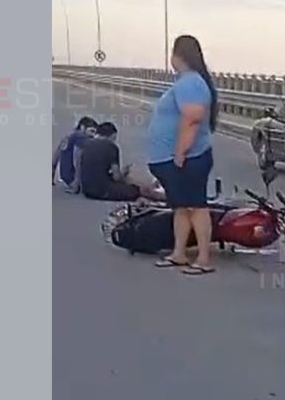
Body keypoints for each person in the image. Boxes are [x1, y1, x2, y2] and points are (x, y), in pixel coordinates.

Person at [147, 35, 218, 275]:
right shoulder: (188, 82)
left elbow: (192, 118)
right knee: (181, 207)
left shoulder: (190, 83)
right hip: (181, 158)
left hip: (190, 157)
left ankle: (204, 258)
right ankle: (179, 253)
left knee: (196, 207)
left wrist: (180, 152)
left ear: (179, 55)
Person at [74, 122, 164, 202]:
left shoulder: (86, 144)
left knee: (130, 182)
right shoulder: (111, 147)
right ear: (112, 136)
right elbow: (117, 177)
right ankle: (165, 197)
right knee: (139, 190)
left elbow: (78, 165)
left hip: (87, 190)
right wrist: (124, 174)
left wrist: (77, 184)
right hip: (103, 191)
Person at [52, 116, 97, 189]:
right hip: (73, 178)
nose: (93, 135)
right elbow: (77, 159)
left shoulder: (68, 137)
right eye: (91, 131)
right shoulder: (81, 137)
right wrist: (76, 181)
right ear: (82, 127)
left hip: (65, 177)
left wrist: (52, 176)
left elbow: (55, 157)